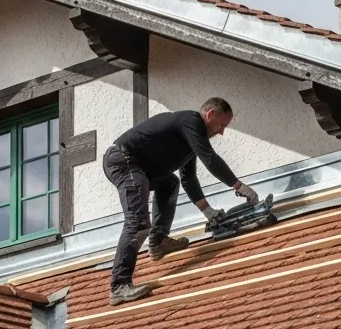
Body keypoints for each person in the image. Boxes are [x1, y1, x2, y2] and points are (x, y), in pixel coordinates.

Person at [102, 98, 259, 305]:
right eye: (222, 124)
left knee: (170, 183)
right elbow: (210, 158)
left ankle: (158, 241)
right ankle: (119, 286)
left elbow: (189, 178)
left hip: (139, 167)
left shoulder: (189, 137)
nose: (221, 132)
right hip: (124, 161)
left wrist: (207, 211)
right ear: (210, 114)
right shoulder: (191, 121)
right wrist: (238, 185)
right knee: (137, 222)